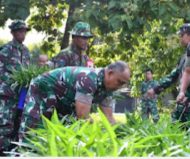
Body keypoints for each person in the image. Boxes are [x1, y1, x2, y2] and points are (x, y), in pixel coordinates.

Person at [19, 61, 130, 137]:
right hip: (43, 89)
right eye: (120, 82)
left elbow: (109, 118)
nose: (120, 87)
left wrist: (120, 134)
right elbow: (82, 116)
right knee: (33, 131)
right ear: (110, 73)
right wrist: (97, 131)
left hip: (65, 99)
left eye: (124, 84)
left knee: (65, 131)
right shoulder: (89, 79)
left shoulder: (108, 89)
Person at [147, 23, 190, 123]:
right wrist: (156, 89)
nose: (180, 38)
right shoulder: (186, 56)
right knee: (176, 127)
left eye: (182, 35)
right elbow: (174, 75)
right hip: (184, 100)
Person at [0, 20, 31, 155]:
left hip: (21, 94)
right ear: (13, 32)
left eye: (24, 31)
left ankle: (12, 150)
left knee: (18, 122)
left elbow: (27, 71)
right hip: (6, 94)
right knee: (5, 123)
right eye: (19, 31)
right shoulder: (6, 50)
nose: (22, 34)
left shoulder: (26, 51)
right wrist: (11, 81)